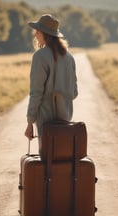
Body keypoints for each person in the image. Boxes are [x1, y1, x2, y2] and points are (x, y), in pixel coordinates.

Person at [24, 14, 78, 146]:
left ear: (45, 34)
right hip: (66, 119)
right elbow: (74, 93)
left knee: (47, 159)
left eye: (37, 31)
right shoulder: (69, 57)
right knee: (63, 158)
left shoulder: (40, 56)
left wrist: (30, 122)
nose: (35, 34)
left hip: (46, 121)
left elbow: (36, 93)